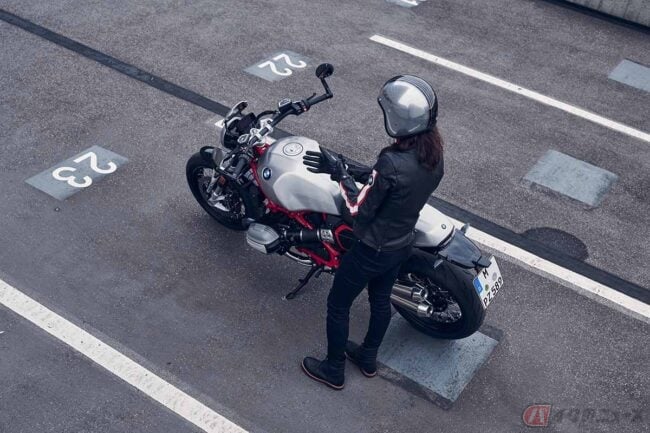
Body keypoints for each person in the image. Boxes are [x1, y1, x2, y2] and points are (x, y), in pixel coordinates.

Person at [300, 75, 445, 390]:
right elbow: (388, 184)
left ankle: (333, 369)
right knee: (380, 300)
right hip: (400, 244)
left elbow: (356, 208)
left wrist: (340, 174)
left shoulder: (391, 161)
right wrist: (347, 168)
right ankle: (367, 358)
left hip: (370, 250)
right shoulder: (433, 156)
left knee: (338, 305)